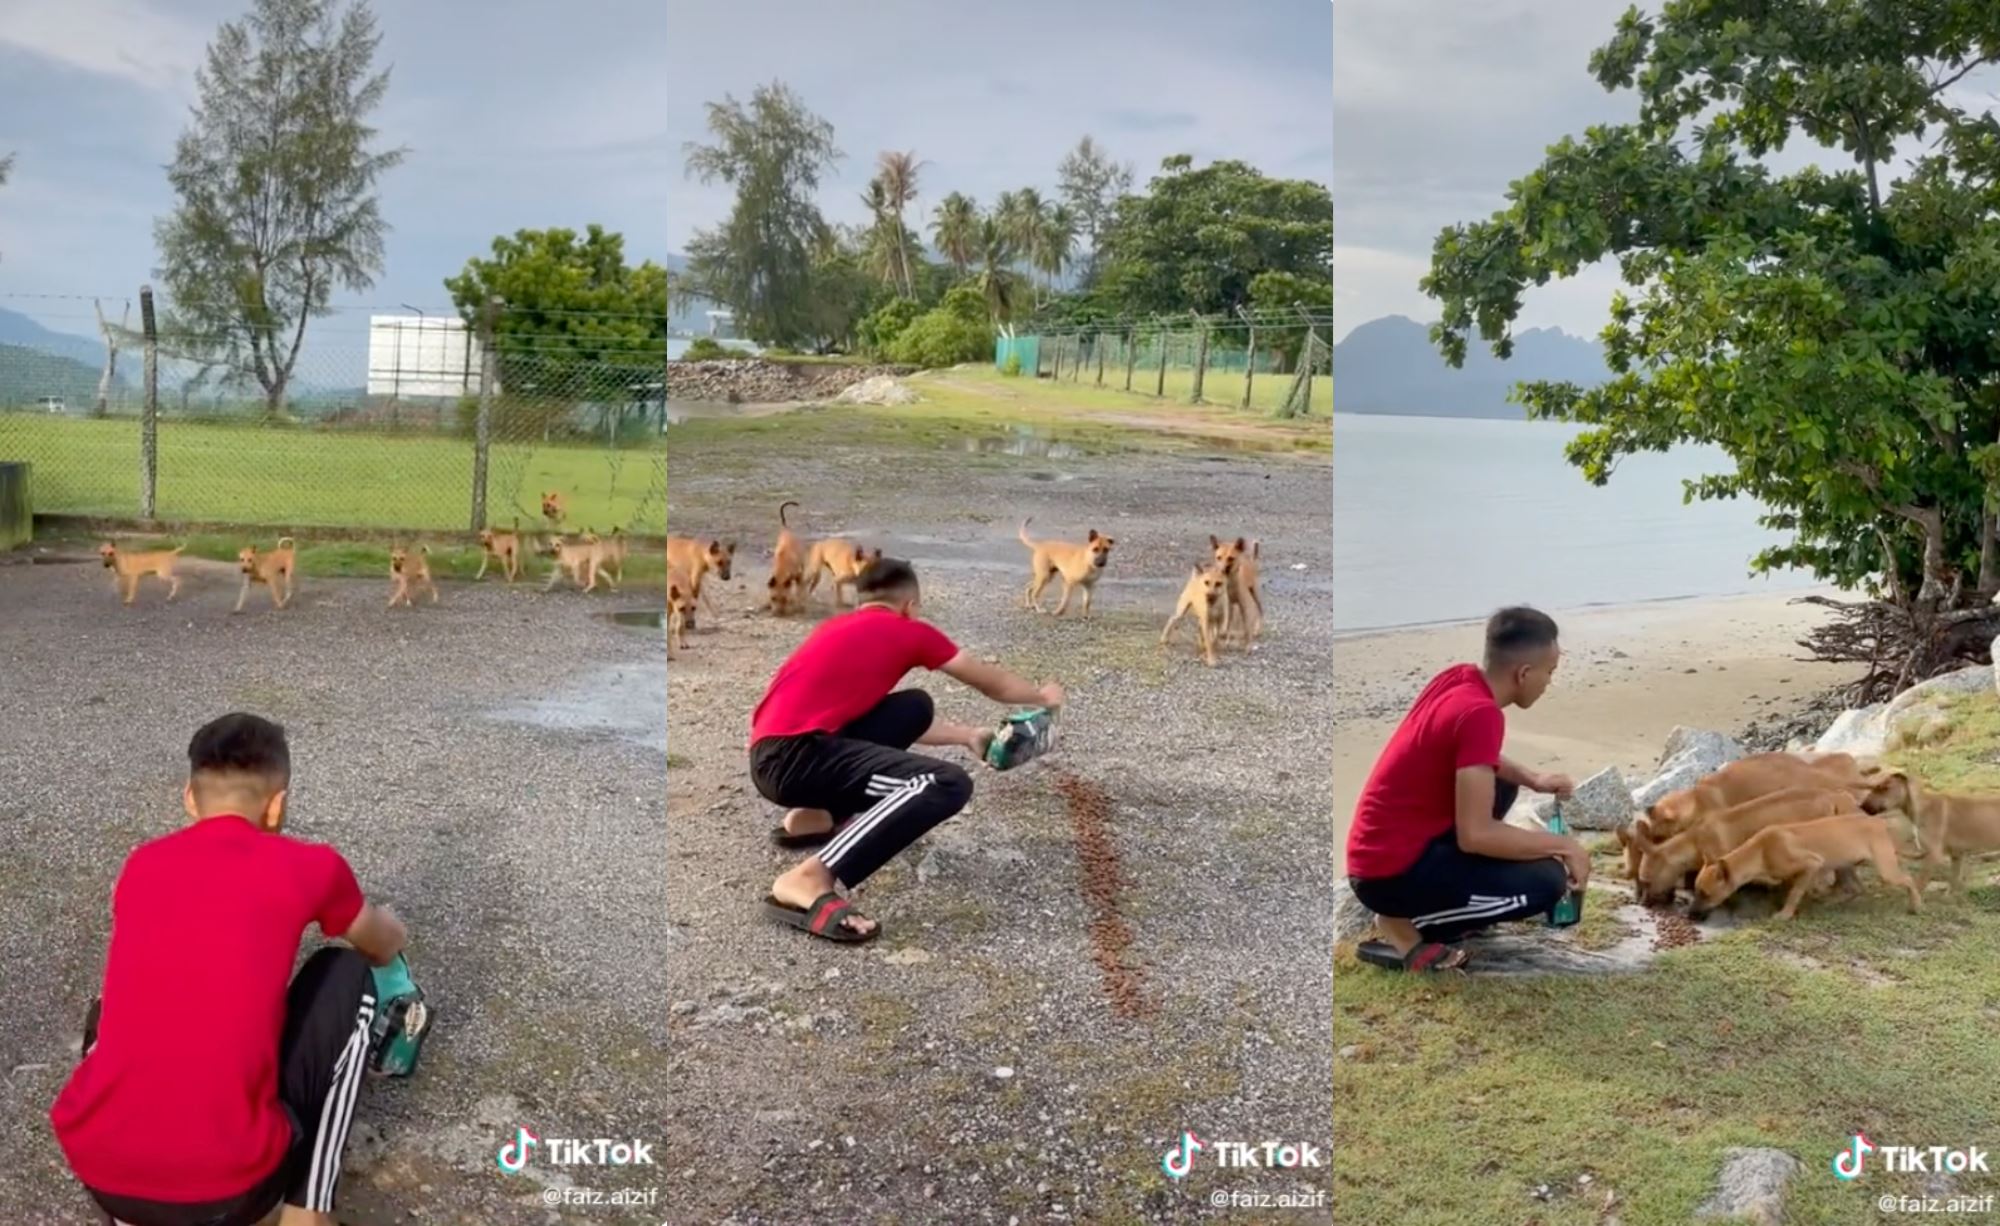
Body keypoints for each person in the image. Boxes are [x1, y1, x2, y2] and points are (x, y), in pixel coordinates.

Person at [51, 713, 410, 1226]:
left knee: (122, 1003)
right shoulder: (311, 865)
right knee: (348, 975)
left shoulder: (142, 864)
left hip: (106, 1181)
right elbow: (379, 944)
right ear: (276, 805)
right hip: (229, 1194)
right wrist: (393, 929)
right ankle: (307, 1211)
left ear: (190, 798)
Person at [750, 557, 1064, 944]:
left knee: (913, 706)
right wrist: (1043, 697)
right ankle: (809, 878)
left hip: (778, 755)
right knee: (942, 783)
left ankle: (816, 815)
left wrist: (967, 735)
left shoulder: (836, 629)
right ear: (910, 606)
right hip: (797, 760)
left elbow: (866, 719)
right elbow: (992, 684)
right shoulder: (909, 631)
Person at [1344, 606, 1587, 972]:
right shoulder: (1482, 714)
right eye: (1549, 673)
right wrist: (1565, 846)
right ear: (1523, 673)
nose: (1548, 683)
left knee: (1503, 783)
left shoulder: (1459, 680)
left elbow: (1473, 754)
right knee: (1546, 884)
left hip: (1386, 850)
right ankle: (1404, 926)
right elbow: (1476, 835)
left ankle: (1451, 902)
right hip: (1389, 874)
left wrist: (1534, 779)